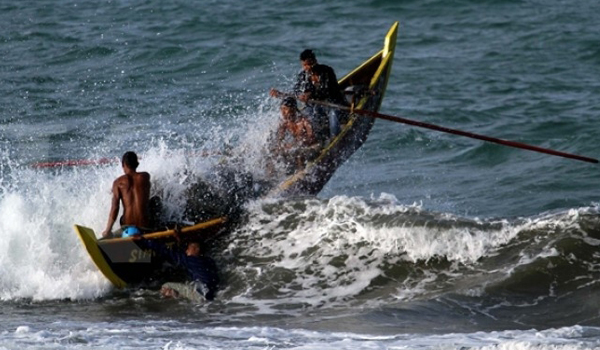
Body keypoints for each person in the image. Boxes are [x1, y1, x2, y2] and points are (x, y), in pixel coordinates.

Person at [270, 49, 347, 139]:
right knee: (305, 118)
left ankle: (334, 138)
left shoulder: (327, 71)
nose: (308, 67)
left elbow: (329, 90)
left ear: (315, 61)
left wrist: (310, 94)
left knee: (334, 128)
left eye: (310, 64)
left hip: (333, 104)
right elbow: (296, 91)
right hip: (315, 106)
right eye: (305, 65)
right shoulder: (303, 75)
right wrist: (281, 94)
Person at [134, 236, 220, 301]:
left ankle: (176, 302)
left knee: (166, 286)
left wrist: (144, 241)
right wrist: (178, 239)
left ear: (195, 249)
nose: (186, 251)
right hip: (212, 293)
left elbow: (167, 252)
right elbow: (180, 254)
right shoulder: (209, 261)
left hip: (200, 295)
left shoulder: (190, 260)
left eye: (188, 249)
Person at [101, 151, 152, 238]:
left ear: (123, 165)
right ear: (137, 164)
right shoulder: (145, 176)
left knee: (122, 219)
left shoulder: (117, 183)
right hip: (145, 227)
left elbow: (115, 208)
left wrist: (108, 230)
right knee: (155, 200)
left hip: (127, 227)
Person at [268, 97, 321, 173]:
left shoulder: (304, 121)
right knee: (274, 153)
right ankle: (271, 178)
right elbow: (280, 139)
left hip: (313, 146)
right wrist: (279, 147)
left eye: (285, 109)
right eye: (281, 109)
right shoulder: (284, 123)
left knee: (298, 151)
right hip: (298, 146)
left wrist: (297, 143)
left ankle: (301, 175)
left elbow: (312, 138)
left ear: (293, 109)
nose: (283, 113)